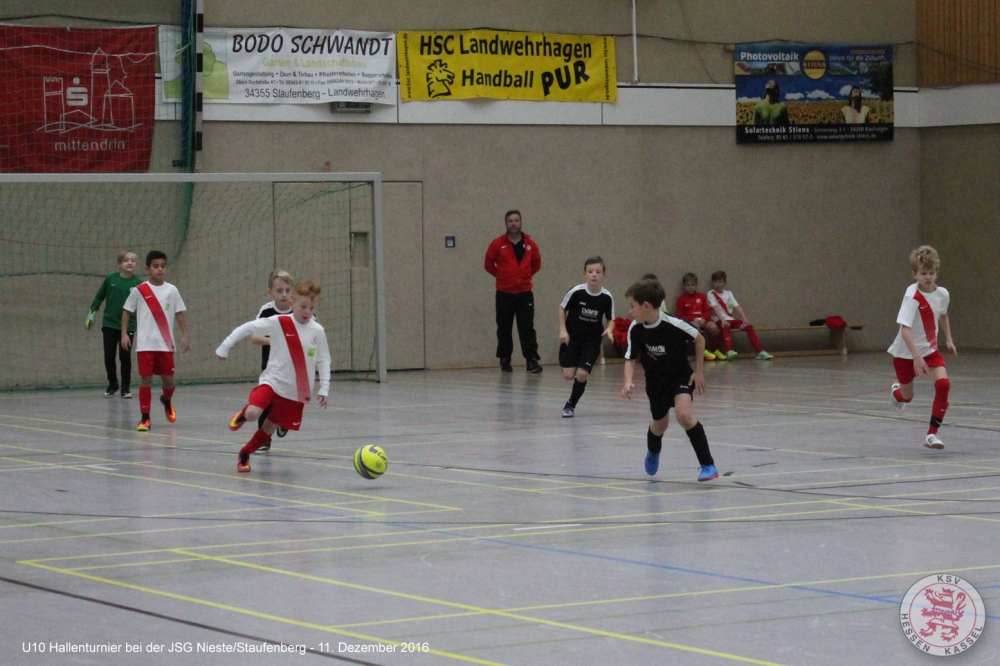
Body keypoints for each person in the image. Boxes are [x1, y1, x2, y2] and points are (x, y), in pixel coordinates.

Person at [216, 281, 331, 473]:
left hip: (296, 392)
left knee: (269, 428)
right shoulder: (279, 322)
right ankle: (243, 415)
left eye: (311, 308)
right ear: (292, 303)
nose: (307, 312)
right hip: (273, 382)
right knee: (253, 414)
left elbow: (324, 359)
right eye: (303, 307)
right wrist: (225, 345)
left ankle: (245, 453)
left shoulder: (317, 330)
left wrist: (324, 387)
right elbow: (248, 328)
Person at [620, 279, 719, 482]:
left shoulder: (674, 324)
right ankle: (653, 450)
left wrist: (699, 372)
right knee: (660, 424)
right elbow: (630, 358)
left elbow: (700, 339)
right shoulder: (635, 329)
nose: (630, 311)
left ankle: (708, 465)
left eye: (632, 306)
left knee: (684, 415)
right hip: (655, 383)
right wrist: (627, 381)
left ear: (646, 306)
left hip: (680, 377)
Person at [888, 246, 956, 449]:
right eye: (923, 273)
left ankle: (931, 435)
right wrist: (916, 357)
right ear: (915, 274)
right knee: (907, 397)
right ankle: (896, 393)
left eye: (931, 273)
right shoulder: (912, 296)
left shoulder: (942, 294)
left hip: (930, 350)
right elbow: (905, 330)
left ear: (937, 273)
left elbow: (943, 315)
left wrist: (949, 339)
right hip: (906, 353)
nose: (928, 277)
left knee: (943, 384)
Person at [121, 250, 190, 432]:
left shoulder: (172, 290)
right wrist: (124, 334)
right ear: (147, 268)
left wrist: (185, 335)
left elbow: (179, 314)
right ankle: (145, 417)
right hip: (145, 344)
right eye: (156, 266)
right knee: (146, 380)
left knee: (169, 381)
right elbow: (126, 311)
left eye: (163, 266)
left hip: (165, 344)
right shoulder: (139, 290)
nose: (160, 269)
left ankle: (166, 399)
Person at [484, 209, 542, 373]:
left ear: (521, 222)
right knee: (504, 327)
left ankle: (531, 361)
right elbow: (488, 264)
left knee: (527, 328)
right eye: (510, 221)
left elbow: (536, 264)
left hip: (524, 293)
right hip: (504, 293)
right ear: (506, 224)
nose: (513, 224)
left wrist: (524, 276)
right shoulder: (497, 244)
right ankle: (505, 360)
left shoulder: (531, 244)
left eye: (516, 220)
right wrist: (502, 276)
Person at [558, 257, 614, 418]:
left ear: (604, 275)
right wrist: (563, 330)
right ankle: (570, 362)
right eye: (590, 271)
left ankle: (570, 404)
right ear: (585, 274)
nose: (594, 275)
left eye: (598, 272)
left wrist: (610, 329)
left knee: (582, 374)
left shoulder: (607, 297)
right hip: (573, 339)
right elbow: (562, 308)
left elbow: (611, 318)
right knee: (568, 375)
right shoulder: (576, 292)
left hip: (592, 341)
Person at [86, 250, 141, 398]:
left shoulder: (138, 283)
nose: (130, 263)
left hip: (128, 326)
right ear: (119, 264)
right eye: (126, 260)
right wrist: (92, 312)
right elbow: (100, 296)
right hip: (110, 324)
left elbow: (144, 304)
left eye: (133, 261)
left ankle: (125, 387)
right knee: (109, 356)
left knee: (125, 357)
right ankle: (113, 384)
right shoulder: (111, 279)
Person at [249, 269, 295, 449]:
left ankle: (284, 420)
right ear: (270, 292)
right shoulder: (267, 311)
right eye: (279, 291)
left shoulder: (298, 309)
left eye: (287, 290)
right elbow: (255, 337)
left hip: (293, 368)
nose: (284, 295)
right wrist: (274, 340)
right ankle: (263, 440)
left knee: (289, 399)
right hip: (271, 367)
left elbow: (315, 331)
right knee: (265, 402)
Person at [707, 271, 773, 360]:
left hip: (730, 319)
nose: (717, 284)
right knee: (726, 326)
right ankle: (729, 351)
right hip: (718, 320)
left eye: (720, 282)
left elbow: (737, 306)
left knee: (748, 326)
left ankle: (760, 351)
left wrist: (744, 318)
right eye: (715, 282)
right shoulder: (711, 293)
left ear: (724, 282)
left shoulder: (729, 293)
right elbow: (715, 308)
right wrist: (722, 320)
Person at [675, 273, 720, 362]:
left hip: (703, 320)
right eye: (688, 285)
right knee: (695, 327)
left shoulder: (702, 296)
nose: (690, 287)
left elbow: (707, 311)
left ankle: (715, 349)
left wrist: (704, 319)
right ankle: (703, 351)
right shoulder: (681, 299)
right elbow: (680, 316)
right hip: (691, 321)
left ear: (696, 285)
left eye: (692, 285)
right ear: (684, 286)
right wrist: (692, 319)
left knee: (714, 327)